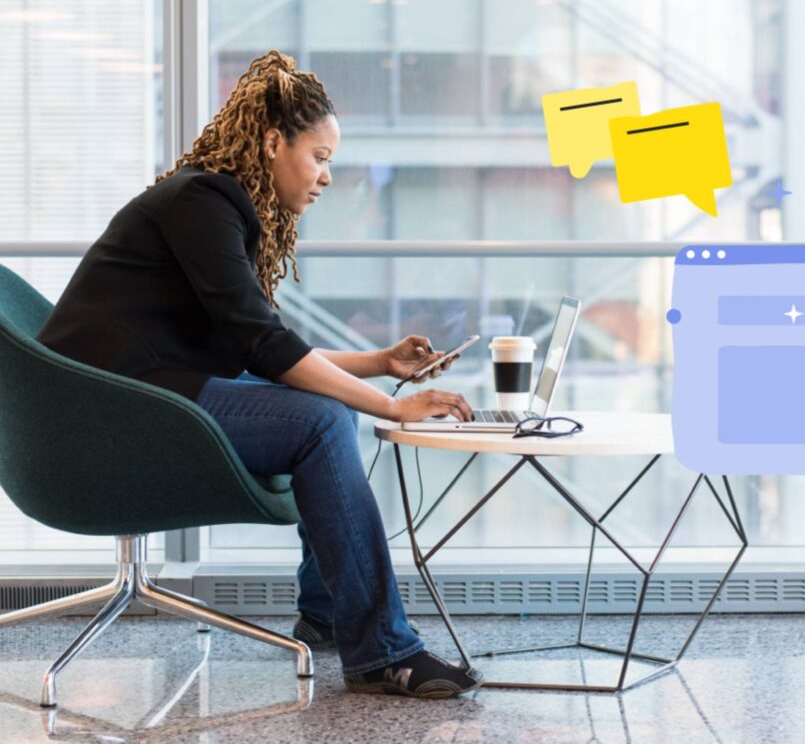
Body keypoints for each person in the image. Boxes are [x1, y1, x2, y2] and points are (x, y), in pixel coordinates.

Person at [36, 49, 483, 699]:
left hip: (134, 395)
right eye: (320, 156)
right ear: (274, 142)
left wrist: (380, 364)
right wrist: (393, 405)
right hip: (106, 412)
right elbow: (266, 345)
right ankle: (383, 650)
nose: (328, 176)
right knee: (325, 417)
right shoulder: (203, 201)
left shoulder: (210, 205)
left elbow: (263, 345)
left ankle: (328, 615)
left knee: (330, 407)